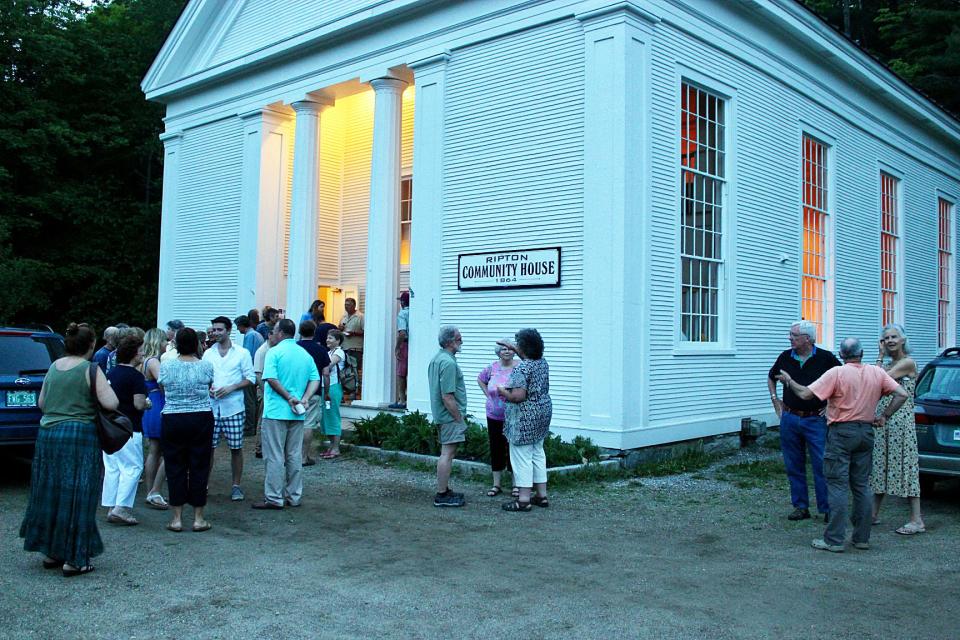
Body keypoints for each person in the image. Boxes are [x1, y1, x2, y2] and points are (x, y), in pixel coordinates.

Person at [777, 337, 908, 552]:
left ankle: (834, 540)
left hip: (841, 432)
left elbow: (805, 393)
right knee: (861, 485)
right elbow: (902, 394)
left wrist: (789, 381)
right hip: (865, 432)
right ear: (862, 353)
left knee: (837, 484)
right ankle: (862, 538)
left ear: (841, 354)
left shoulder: (837, 373)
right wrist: (884, 415)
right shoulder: (876, 373)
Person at [20, 323, 119, 577]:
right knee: (78, 495)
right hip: (78, 437)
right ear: (91, 345)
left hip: (48, 436)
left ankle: (52, 551)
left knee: (51, 493)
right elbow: (111, 402)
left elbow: (42, 402)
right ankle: (75, 560)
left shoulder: (54, 366)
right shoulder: (91, 369)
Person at [767, 320, 841, 522]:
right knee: (793, 464)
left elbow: (842, 381)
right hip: (790, 417)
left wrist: (831, 405)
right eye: (790, 334)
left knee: (821, 464)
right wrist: (776, 401)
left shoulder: (826, 359)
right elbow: (771, 377)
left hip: (815, 420)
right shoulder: (785, 356)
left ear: (807, 339)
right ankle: (800, 506)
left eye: (793, 335)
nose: (789, 338)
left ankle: (827, 509)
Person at [253, 319, 321, 509]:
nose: (272, 334)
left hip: (276, 410)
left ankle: (274, 497)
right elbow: (315, 379)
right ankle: (294, 495)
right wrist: (305, 397)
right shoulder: (304, 354)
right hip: (297, 412)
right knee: (294, 455)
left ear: (281, 333)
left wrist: (288, 396)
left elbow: (271, 379)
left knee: (274, 455)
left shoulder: (274, 352)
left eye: (274, 331)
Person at [159, 328, 215, 533]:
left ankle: (176, 518)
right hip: (200, 416)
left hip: (173, 415)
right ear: (196, 344)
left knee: (175, 465)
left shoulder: (167, 366)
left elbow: (164, 389)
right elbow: (210, 385)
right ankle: (198, 518)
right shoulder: (206, 365)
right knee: (199, 464)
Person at [871, 323, 925, 535]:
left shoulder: (907, 363)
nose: (890, 341)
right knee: (880, 466)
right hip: (883, 422)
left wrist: (878, 355)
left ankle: (916, 519)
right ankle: (872, 514)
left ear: (903, 340)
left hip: (900, 422)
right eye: (886, 338)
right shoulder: (890, 363)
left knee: (906, 467)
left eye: (894, 337)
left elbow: (877, 381)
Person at [497, 329, 552, 512]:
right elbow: (527, 356)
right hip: (543, 412)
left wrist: (503, 391)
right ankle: (541, 496)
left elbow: (518, 397)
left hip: (525, 415)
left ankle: (523, 500)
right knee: (537, 452)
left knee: (521, 456)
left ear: (523, 348)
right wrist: (513, 346)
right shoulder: (542, 363)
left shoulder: (522, 368)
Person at [203, 316, 255, 502]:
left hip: (233, 407)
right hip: (211, 406)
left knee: (236, 447)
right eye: (214, 330)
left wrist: (232, 387)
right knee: (207, 448)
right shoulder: (208, 353)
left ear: (228, 330)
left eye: (219, 330)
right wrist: (208, 387)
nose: (216, 333)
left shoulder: (241, 353)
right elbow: (204, 376)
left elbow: (251, 378)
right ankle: (204, 485)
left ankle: (236, 485)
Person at [102, 334, 149, 526]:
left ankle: (111, 505)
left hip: (110, 426)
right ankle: (121, 507)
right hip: (129, 427)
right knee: (133, 467)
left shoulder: (110, 374)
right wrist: (148, 404)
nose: (143, 353)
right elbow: (138, 404)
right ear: (134, 353)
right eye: (141, 350)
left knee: (113, 467)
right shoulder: (136, 377)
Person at [427, 326, 467, 508]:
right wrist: (459, 418)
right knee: (447, 453)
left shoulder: (437, 359)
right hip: (449, 416)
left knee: (447, 452)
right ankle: (441, 494)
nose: (462, 342)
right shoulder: (448, 363)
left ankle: (444, 490)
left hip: (442, 414)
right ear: (450, 341)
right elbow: (447, 396)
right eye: (459, 338)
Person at [478, 339, 517, 498]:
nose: (507, 351)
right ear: (498, 352)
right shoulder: (492, 367)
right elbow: (480, 379)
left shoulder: (519, 367)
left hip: (513, 415)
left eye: (509, 349)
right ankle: (496, 484)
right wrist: (488, 395)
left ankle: (516, 485)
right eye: (503, 349)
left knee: (513, 449)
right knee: (496, 448)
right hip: (493, 415)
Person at [141, 328, 169, 510]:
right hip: (159, 403)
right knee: (169, 450)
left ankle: (150, 490)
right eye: (164, 340)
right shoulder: (153, 362)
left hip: (150, 404)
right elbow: (163, 382)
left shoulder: (142, 361)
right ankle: (155, 491)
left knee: (154, 450)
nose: (167, 344)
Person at [296, 320, 330, 465]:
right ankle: (304, 457)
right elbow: (326, 374)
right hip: (313, 391)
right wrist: (326, 392)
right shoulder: (321, 350)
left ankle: (292, 456)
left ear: (299, 332)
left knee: (292, 424)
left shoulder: (295, 348)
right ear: (314, 332)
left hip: (294, 391)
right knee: (308, 424)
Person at [236, 314, 264, 437]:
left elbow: (247, 355)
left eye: (238, 326)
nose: (238, 329)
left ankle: (249, 427)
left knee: (249, 400)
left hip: (250, 372)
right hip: (258, 370)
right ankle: (253, 425)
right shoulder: (256, 334)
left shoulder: (250, 336)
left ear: (242, 325)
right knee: (255, 400)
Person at [321, 329, 347, 459]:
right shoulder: (328, 352)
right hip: (325, 386)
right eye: (327, 338)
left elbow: (328, 365)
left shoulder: (339, 352)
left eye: (331, 338)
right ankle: (331, 445)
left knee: (333, 415)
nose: (327, 340)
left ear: (338, 340)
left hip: (333, 387)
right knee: (326, 416)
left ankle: (336, 447)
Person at [252, 329, 276, 459]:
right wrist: (265, 392)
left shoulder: (274, 350)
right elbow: (258, 374)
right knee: (262, 418)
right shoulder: (262, 351)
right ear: (269, 335)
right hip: (264, 390)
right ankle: (259, 447)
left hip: (272, 390)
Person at [338, 298, 364, 399]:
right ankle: (346, 391)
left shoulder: (360, 317)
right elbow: (340, 328)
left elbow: (365, 332)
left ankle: (355, 392)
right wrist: (340, 328)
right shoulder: (343, 316)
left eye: (348, 305)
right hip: (344, 347)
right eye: (345, 304)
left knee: (354, 371)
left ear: (354, 306)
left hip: (355, 347)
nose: (346, 306)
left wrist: (354, 333)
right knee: (344, 371)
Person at [389, 291, 410, 410]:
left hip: (405, 345)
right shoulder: (416, 311)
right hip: (415, 346)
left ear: (402, 302)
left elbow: (402, 333)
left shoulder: (402, 313)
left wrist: (397, 347)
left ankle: (402, 400)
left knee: (401, 374)